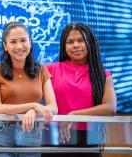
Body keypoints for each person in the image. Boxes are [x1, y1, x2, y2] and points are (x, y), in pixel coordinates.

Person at [0, 21, 58, 157]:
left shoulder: (41, 70)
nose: (19, 46)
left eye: (23, 40)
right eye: (13, 42)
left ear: (30, 43)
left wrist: (33, 111)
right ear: (5, 46)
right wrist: (33, 105)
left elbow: (53, 107)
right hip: (0, 134)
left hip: (31, 133)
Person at [42, 22, 117, 157]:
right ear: (64, 47)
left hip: (89, 139)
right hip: (54, 136)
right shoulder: (50, 70)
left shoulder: (103, 75)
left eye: (81, 40)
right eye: (70, 42)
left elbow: (110, 108)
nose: (76, 45)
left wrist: (73, 115)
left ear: (90, 43)